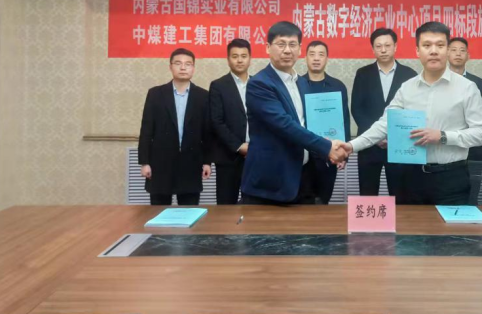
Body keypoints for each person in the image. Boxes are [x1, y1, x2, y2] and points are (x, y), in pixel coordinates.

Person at [342, 22, 482, 205]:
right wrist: (351, 146)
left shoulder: (467, 88)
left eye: (440, 45)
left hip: (451, 179)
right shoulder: (407, 88)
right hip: (410, 178)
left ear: (447, 50)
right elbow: (384, 124)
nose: (433, 51)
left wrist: (443, 136)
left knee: (449, 225)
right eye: (427, 45)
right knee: (410, 225)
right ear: (418, 51)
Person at [240, 21, 347, 205]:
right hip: (271, 182)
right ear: (268, 47)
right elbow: (285, 125)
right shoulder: (259, 83)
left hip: (302, 178)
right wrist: (327, 147)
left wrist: (329, 142)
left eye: (292, 44)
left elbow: (306, 124)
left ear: (299, 49)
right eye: (281, 44)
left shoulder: (301, 83)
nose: (287, 50)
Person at [138, 48, 213, 206]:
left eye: (188, 64)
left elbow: (207, 133)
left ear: (193, 68)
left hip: (191, 163)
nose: (183, 67)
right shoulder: (155, 94)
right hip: (160, 163)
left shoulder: (203, 96)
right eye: (178, 63)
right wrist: (144, 162)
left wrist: (207, 162)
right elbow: (146, 130)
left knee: (188, 212)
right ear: (170, 67)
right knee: (158, 212)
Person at [351, 28, 417, 197]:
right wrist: (377, 136)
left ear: (395, 46)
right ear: (373, 49)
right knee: (367, 195)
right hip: (369, 146)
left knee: (400, 195)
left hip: (399, 146)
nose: (383, 50)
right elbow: (357, 109)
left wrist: (393, 137)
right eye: (378, 46)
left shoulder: (410, 75)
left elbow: (412, 111)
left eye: (387, 45)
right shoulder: (363, 73)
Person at [301, 40, 351, 204]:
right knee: (302, 202)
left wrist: (344, 154)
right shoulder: (296, 85)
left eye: (321, 55)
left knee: (323, 201)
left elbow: (344, 120)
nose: (316, 58)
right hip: (302, 155)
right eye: (312, 54)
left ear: (327, 58)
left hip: (329, 154)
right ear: (305, 58)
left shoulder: (337, 86)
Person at [209, 39, 252, 204]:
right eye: (235, 56)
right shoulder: (218, 86)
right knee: (226, 205)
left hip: (256, 154)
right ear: (228, 59)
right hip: (228, 156)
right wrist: (239, 146)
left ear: (250, 58)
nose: (239, 60)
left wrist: (255, 146)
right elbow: (216, 121)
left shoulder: (259, 84)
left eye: (243, 56)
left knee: (254, 204)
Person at [447, 37, 482, 162]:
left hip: (472, 149)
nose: (458, 54)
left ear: (468, 56)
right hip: (445, 147)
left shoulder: (478, 83)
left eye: (462, 50)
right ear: (446, 54)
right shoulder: (438, 81)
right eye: (454, 50)